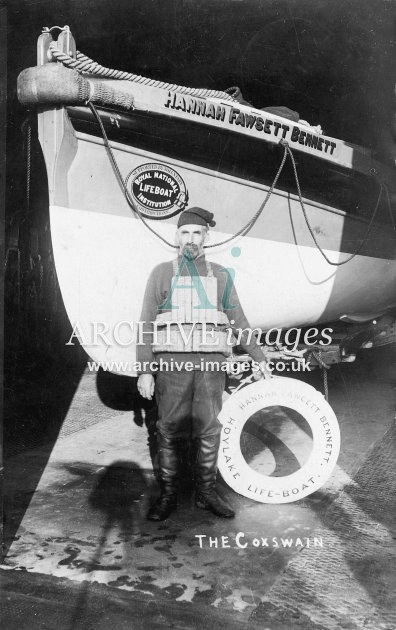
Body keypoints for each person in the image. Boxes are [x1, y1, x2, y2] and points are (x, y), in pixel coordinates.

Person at [137, 207, 271, 521]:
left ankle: (206, 493)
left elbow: (239, 320)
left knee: (209, 429)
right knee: (168, 429)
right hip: (172, 366)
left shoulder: (221, 275)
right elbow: (145, 323)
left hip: (211, 368)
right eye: (185, 233)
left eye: (197, 233)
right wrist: (145, 370)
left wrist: (260, 358)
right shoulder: (161, 273)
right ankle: (169, 495)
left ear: (206, 237)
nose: (190, 239)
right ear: (176, 236)